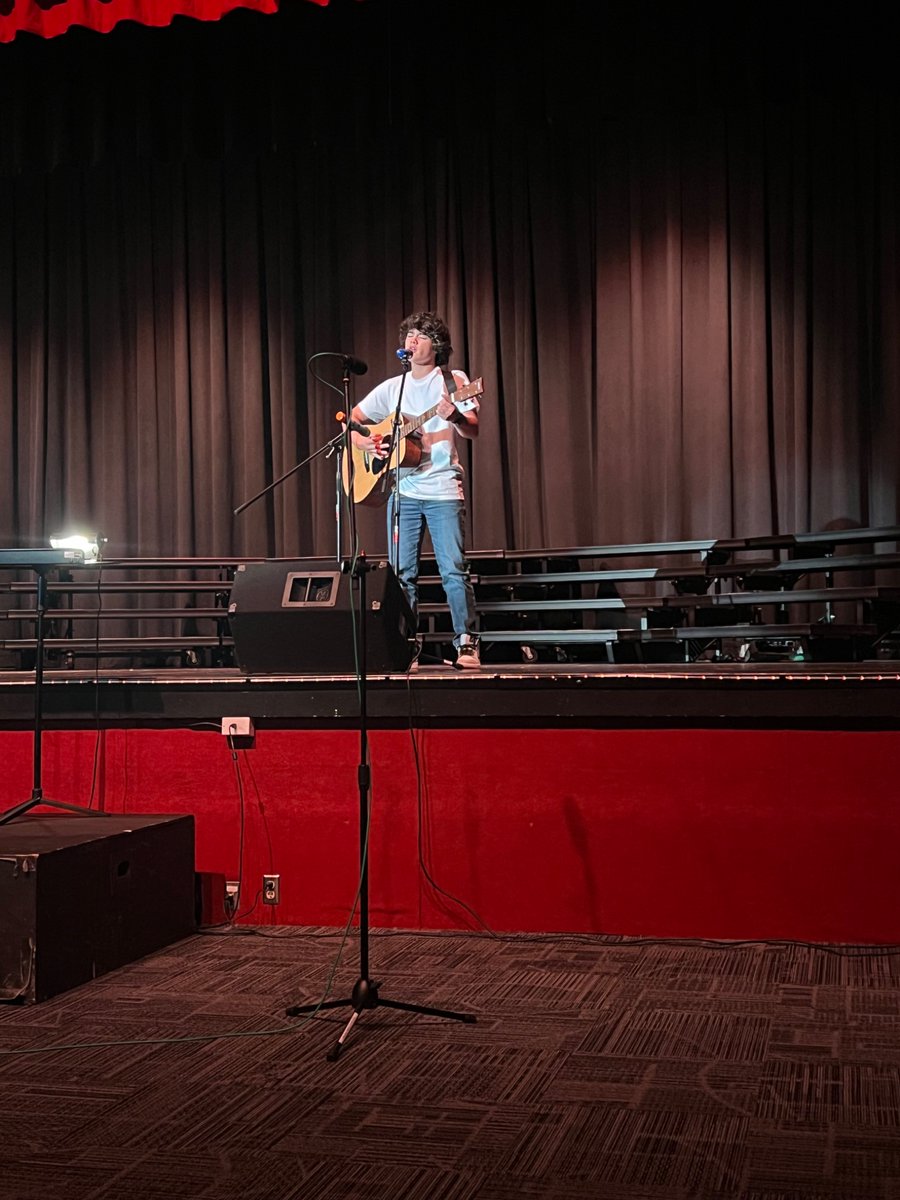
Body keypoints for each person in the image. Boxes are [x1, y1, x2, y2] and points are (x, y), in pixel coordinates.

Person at [350, 311, 481, 669]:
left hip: (442, 488)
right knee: (401, 572)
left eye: (420, 336)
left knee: (453, 568)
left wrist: (453, 416)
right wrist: (368, 445)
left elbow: (472, 429)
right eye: (408, 334)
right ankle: (406, 644)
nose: (411, 340)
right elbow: (353, 421)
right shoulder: (394, 388)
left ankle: (466, 643)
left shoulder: (454, 382)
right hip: (403, 491)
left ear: (436, 346)